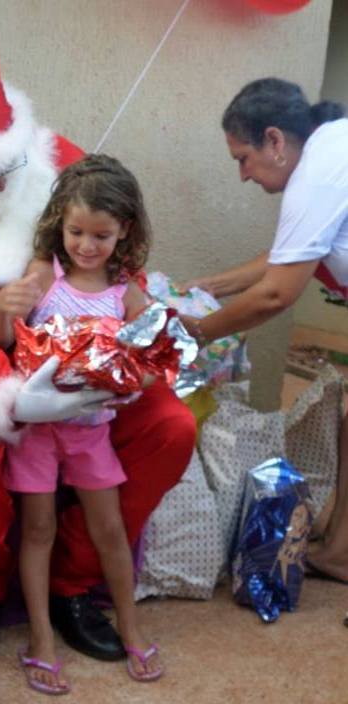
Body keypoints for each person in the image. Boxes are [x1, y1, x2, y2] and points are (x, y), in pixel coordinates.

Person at [0, 39, 196, 675]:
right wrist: (16, 389)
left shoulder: (65, 163)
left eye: (6, 164)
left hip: (83, 358)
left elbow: (121, 263)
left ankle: (73, 582)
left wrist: (118, 363)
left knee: (171, 427)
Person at [0, 155, 164, 692]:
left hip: (91, 431)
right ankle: (40, 636)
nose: (86, 245)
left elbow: (154, 356)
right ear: (60, 223)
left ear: (124, 231)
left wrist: (135, 380)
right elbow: (0, 340)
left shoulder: (125, 290)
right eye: (76, 231)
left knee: (111, 530)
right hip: (37, 431)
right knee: (38, 529)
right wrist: (0, 305)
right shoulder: (44, 276)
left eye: (101, 235)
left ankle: (130, 626)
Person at [180, 77, 348, 585]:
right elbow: (285, 255)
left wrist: (198, 334)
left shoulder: (317, 174)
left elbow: (277, 293)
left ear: (275, 140)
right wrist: (212, 284)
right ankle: (340, 552)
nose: (242, 176)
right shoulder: (329, 148)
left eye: (242, 158)